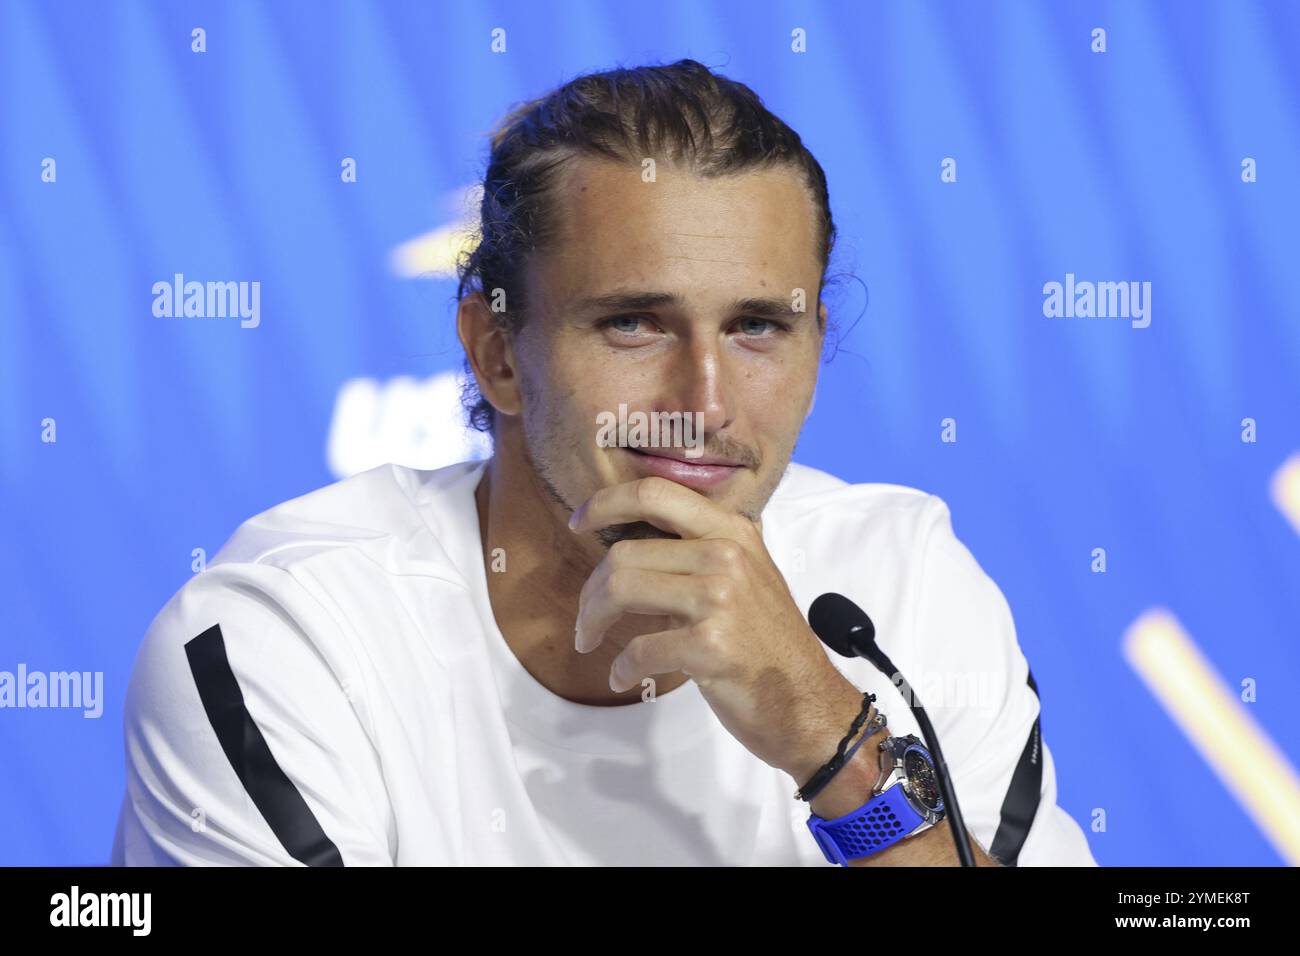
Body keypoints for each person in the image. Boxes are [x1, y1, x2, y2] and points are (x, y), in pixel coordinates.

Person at [111, 59, 1096, 867]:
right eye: (632, 322)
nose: (704, 403)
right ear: (496, 350)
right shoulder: (287, 640)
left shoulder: (901, 586)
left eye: (756, 326)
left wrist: (828, 737)